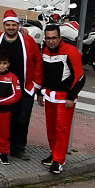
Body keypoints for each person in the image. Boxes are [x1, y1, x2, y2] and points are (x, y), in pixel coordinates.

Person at [0, 10, 42, 160]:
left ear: (18, 25)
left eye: (14, 25)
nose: (11, 28)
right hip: (0, 87)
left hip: (24, 87)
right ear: (4, 25)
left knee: (22, 119)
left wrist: (36, 84)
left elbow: (38, 62)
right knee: (1, 120)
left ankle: (18, 149)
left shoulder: (27, 40)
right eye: (8, 25)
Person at [37, 23, 86, 174]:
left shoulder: (71, 51)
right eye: (48, 38)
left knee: (62, 130)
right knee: (51, 129)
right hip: (49, 96)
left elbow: (80, 77)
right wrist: (39, 93)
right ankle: (54, 154)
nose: (51, 41)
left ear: (60, 38)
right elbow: (42, 73)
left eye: (54, 38)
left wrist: (71, 97)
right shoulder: (44, 50)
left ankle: (59, 160)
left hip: (65, 99)